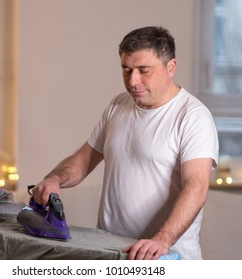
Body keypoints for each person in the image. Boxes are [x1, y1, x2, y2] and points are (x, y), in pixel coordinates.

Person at [31, 26, 219, 260]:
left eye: (144, 71)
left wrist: (162, 239)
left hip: (165, 255)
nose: (133, 81)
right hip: (113, 252)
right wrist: (54, 178)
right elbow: (84, 159)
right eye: (126, 70)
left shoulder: (193, 116)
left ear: (171, 67)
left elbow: (196, 186)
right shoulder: (118, 105)